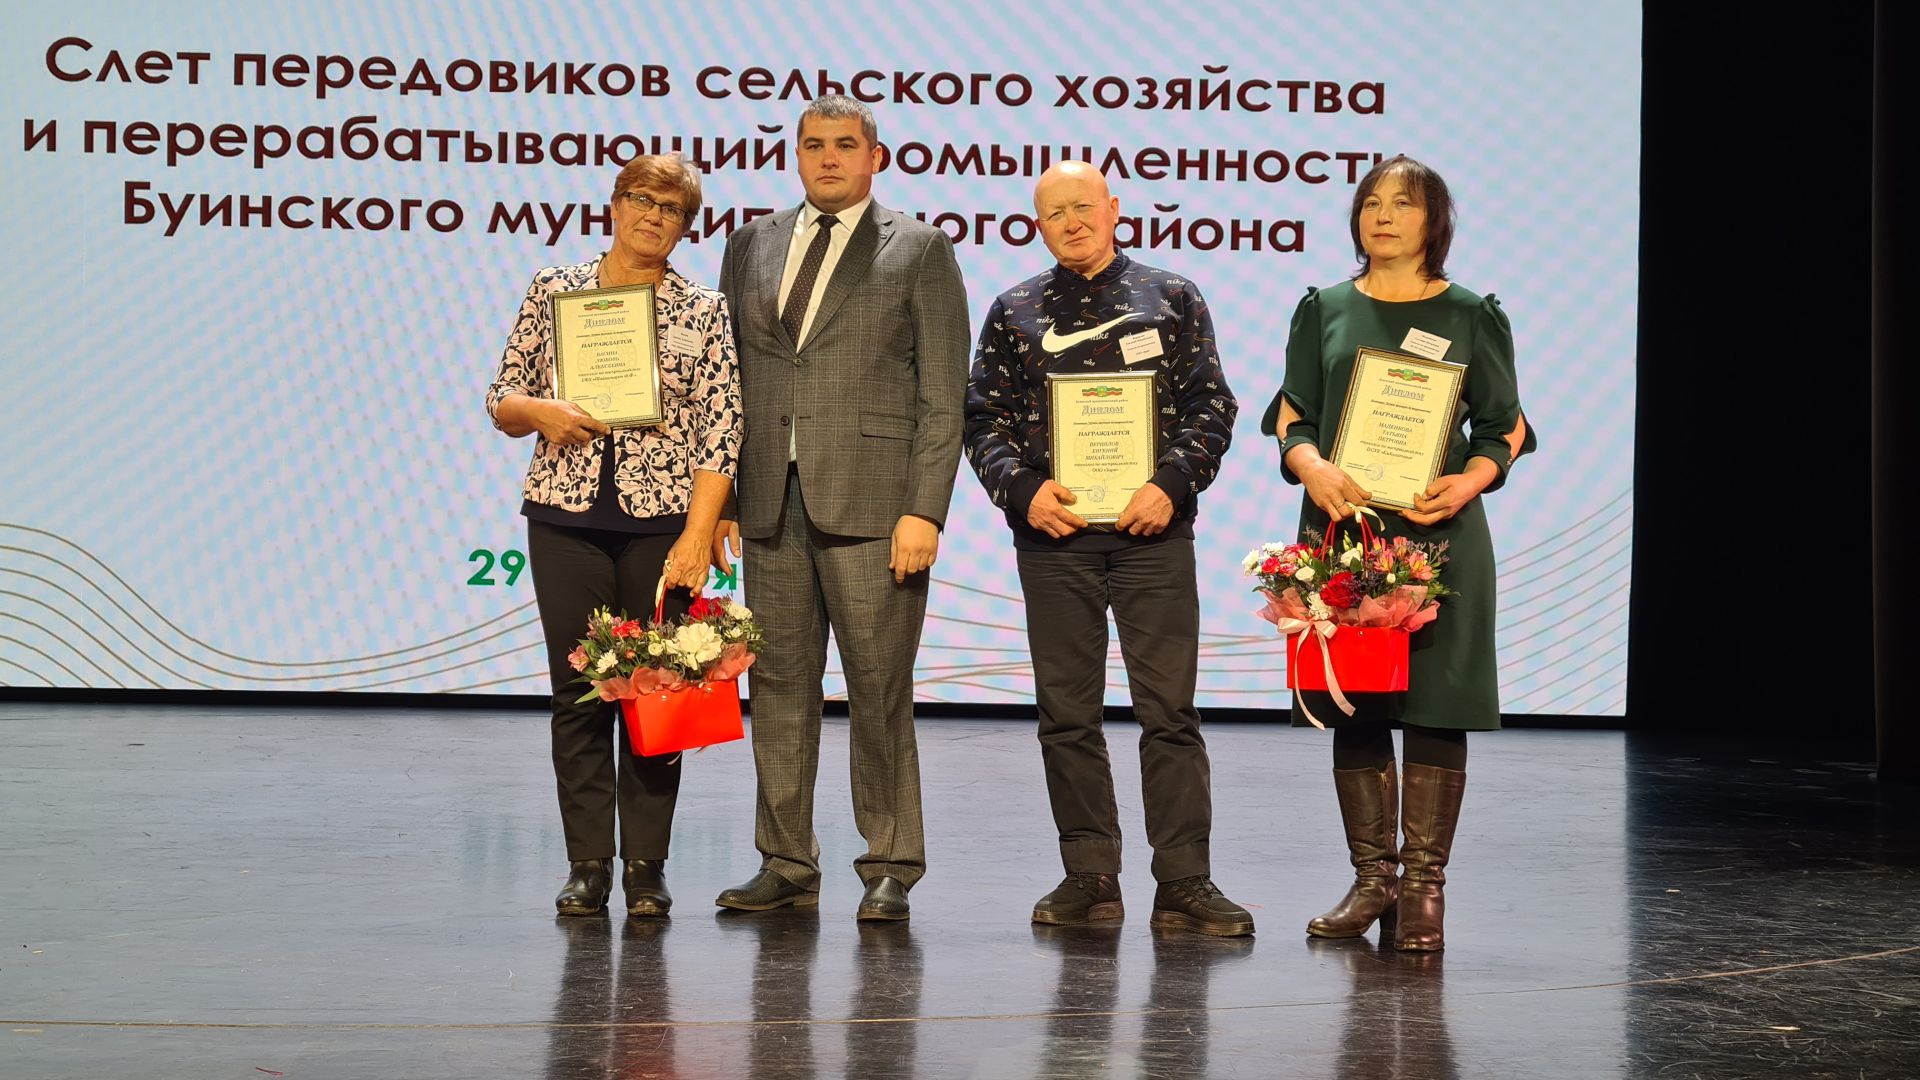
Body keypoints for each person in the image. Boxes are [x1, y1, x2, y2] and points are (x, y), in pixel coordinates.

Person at [963, 161, 1252, 937]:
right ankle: (1089, 876)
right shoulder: (1014, 309)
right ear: (1038, 224)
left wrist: (1170, 484)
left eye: (1083, 206)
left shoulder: (1172, 296)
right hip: (1055, 540)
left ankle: (1185, 880)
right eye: (1054, 212)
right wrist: (1023, 492)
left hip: (1153, 534)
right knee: (1067, 715)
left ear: (1114, 208)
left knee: (1170, 713)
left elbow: (1211, 405)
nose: (1072, 221)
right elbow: (981, 419)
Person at [1260, 154, 1535, 951]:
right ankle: (1372, 880)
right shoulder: (1326, 308)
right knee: (1359, 698)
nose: (1382, 215)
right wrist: (1308, 462)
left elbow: (1504, 425)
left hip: (1438, 534)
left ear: (1433, 222)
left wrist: (1473, 479)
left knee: (1437, 703)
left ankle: (1423, 891)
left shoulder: (1473, 314)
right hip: (1345, 533)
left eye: (1403, 204)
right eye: (1370, 202)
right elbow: (1293, 412)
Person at [710, 95, 969, 921]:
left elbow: (942, 396)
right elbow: (728, 384)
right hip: (767, 502)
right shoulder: (750, 243)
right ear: (796, 154)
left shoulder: (920, 249)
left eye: (844, 146)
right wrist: (715, 500)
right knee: (780, 685)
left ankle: (890, 860)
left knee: (878, 686)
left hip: (875, 504)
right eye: (814, 145)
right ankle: (785, 859)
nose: (828, 159)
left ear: (874, 158)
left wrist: (925, 510)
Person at [486, 154, 742, 918]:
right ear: (614, 204)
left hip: (662, 527)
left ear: (686, 227)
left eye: (672, 210)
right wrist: (543, 414)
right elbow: (502, 396)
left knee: (657, 696)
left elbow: (723, 432)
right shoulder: (554, 289)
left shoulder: (703, 309)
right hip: (565, 518)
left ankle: (647, 869)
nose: (654, 217)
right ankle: (589, 864)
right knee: (580, 695)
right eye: (642, 200)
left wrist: (698, 537)